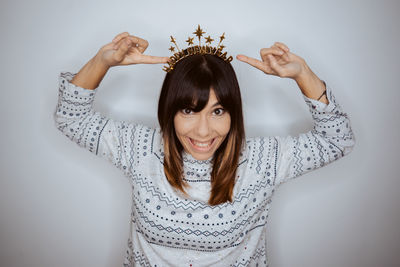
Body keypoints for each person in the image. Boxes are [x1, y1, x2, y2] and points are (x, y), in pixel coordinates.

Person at [54, 28, 355, 266]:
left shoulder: (263, 161)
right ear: (168, 111)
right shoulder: (139, 149)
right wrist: (101, 62)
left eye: (218, 111)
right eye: (188, 111)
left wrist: (304, 75)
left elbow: (337, 140)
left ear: (234, 113)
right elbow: (72, 119)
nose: (203, 130)